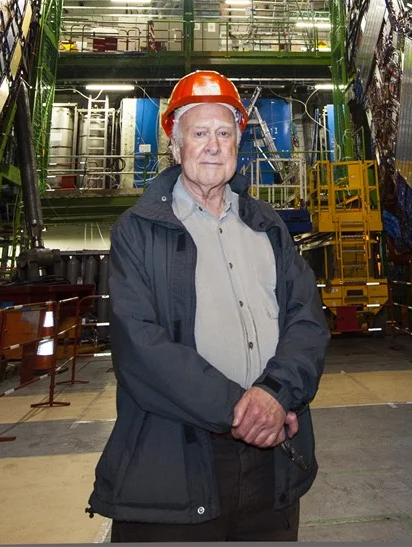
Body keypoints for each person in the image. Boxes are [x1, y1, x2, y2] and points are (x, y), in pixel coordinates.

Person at [90, 70, 329, 541]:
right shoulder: (138, 231)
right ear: (176, 147)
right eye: (199, 133)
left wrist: (276, 395)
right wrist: (242, 409)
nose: (213, 145)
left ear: (239, 142)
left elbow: (308, 318)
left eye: (224, 132)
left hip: (272, 462)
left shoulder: (268, 227)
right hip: (174, 462)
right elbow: (140, 346)